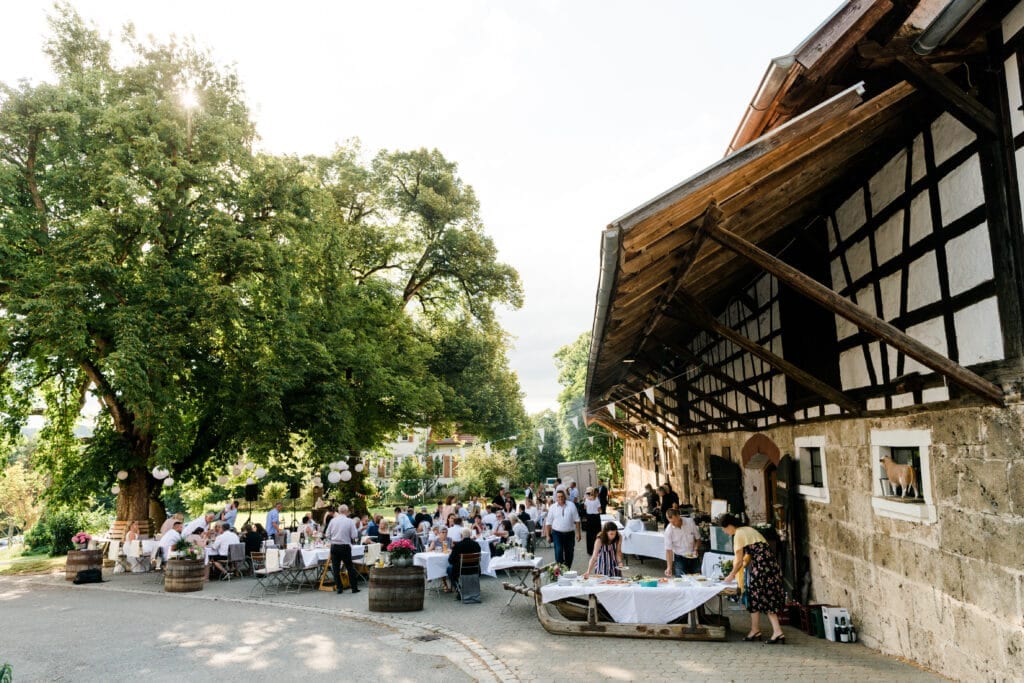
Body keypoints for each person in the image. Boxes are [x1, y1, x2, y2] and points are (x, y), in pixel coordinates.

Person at [719, 513, 786, 644]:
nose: (725, 532)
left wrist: (731, 575)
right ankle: (757, 630)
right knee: (757, 597)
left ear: (730, 526)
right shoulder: (747, 529)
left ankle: (776, 632)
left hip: (761, 567)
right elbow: (749, 555)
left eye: (724, 529)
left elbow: (739, 561)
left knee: (762, 596)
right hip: (769, 565)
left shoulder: (738, 534)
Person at [324, 504, 361, 594]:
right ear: (346, 511)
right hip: (345, 545)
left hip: (334, 546)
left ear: (339, 511)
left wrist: (333, 538)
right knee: (349, 567)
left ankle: (339, 588)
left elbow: (327, 534)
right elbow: (354, 535)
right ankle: (354, 587)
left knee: (335, 568)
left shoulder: (333, 521)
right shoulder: (350, 521)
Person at [544, 489, 581, 567]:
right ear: (556, 498)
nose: (560, 498)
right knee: (558, 551)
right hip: (557, 533)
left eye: (562, 496)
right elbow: (548, 523)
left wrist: (578, 533)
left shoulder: (571, 505)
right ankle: (560, 569)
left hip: (569, 533)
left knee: (569, 552)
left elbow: (577, 520)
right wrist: (547, 536)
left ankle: (567, 568)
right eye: (558, 497)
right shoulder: (552, 507)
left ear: (565, 497)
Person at [663, 508, 702, 577]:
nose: (673, 524)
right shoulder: (668, 531)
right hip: (679, 557)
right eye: (671, 522)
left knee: (698, 578)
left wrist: (696, 549)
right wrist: (669, 567)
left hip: (693, 556)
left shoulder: (690, 522)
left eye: (674, 521)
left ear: (678, 516)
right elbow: (668, 550)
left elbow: (698, 539)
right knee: (680, 580)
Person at [446, 524, 478, 597]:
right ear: (470, 535)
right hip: (474, 569)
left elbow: (451, 560)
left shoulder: (458, 546)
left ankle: (459, 589)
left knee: (449, 569)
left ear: (461, 535)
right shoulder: (476, 545)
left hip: (461, 569)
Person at [583, 487, 602, 556]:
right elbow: (599, 510)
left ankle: (590, 550)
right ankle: (598, 550)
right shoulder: (597, 500)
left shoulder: (586, 500)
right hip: (596, 518)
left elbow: (585, 508)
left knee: (589, 534)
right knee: (597, 533)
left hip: (589, 518)